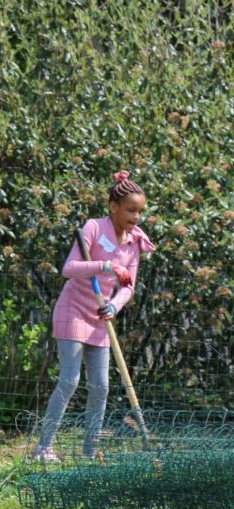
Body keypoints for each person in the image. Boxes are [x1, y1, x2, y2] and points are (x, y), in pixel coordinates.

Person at [33, 170, 155, 462]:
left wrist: (114, 306)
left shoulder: (134, 242)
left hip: (101, 317)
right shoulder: (94, 228)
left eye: (140, 211)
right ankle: (43, 448)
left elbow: (129, 286)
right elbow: (69, 268)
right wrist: (105, 266)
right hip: (73, 311)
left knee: (101, 387)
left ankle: (89, 453)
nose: (136, 217)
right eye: (131, 210)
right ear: (114, 207)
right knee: (70, 381)